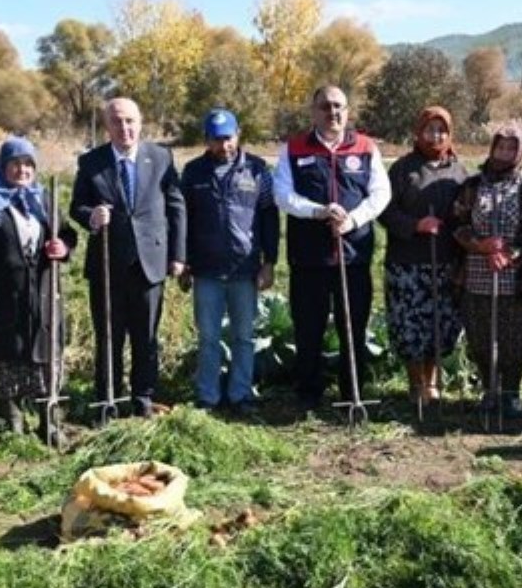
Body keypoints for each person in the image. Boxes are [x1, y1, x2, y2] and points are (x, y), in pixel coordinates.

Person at [272, 85, 390, 412]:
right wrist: (318, 211)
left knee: (353, 324)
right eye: (325, 106)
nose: (332, 112)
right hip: (309, 258)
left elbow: (380, 193)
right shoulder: (294, 149)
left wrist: (352, 220)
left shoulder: (365, 147)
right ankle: (308, 393)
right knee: (308, 327)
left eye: (338, 106)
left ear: (348, 111)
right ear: (314, 112)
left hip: (353, 257)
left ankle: (352, 391)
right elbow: (282, 193)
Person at [69, 97, 186, 417]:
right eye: (117, 121)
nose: (125, 128)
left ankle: (143, 397)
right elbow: (76, 206)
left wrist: (177, 255)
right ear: (107, 126)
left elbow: (176, 206)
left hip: (151, 262)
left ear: (140, 122)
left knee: (146, 336)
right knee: (109, 336)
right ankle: (108, 398)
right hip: (108, 265)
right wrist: (91, 216)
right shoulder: (91, 162)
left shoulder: (160, 157)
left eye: (130, 121)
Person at [0, 137, 76, 442]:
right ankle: (11, 419)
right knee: (5, 355)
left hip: (42, 293)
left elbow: (67, 234)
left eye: (28, 164)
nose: (22, 170)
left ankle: (48, 421)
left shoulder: (44, 199)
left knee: (45, 354)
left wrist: (62, 247)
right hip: (3, 294)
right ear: (2, 167)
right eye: (15, 163)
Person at [180, 109, 278, 413]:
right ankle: (208, 396)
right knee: (208, 337)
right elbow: (182, 218)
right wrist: (182, 262)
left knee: (244, 337)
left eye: (229, 138)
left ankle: (241, 394)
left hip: (245, 269)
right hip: (206, 270)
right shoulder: (193, 172)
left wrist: (269, 261)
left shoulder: (257, 170)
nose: (224, 146)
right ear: (206, 140)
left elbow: (269, 216)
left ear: (238, 135)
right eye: (216, 140)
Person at [451, 122, 522, 418]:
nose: (504, 153)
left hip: (516, 275)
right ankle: (489, 389)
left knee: (514, 337)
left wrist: (510, 252)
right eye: (500, 147)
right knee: (481, 335)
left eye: (511, 148)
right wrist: (480, 246)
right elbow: (458, 223)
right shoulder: (473, 185)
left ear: (520, 152)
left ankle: (511, 392)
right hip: (478, 270)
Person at [378, 106, 467, 406]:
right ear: (419, 131)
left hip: (444, 262)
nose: (436, 135)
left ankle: (431, 382)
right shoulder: (404, 169)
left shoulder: (458, 170)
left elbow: (467, 213)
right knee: (410, 326)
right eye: (430, 128)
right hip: (408, 263)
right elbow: (385, 210)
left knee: (439, 326)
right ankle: (415, 383)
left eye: (442, 129)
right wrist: (415, 225)